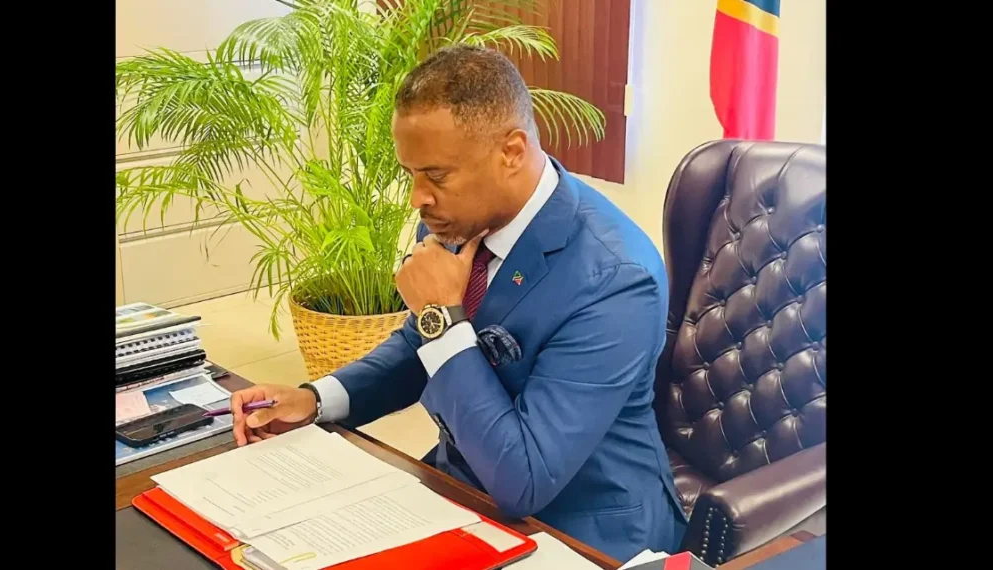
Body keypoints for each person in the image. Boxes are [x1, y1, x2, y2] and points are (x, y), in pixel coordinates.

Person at [228, 45, 687, 562]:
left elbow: (525, 479)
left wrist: (443, 321)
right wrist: (315, 400)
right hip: (464, 491)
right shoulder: (462, 217)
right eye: (411, 175)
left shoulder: (614, 278)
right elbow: (417, 347)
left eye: (436, 176)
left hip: (580, 530)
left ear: (511, 151)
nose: (417, 199)